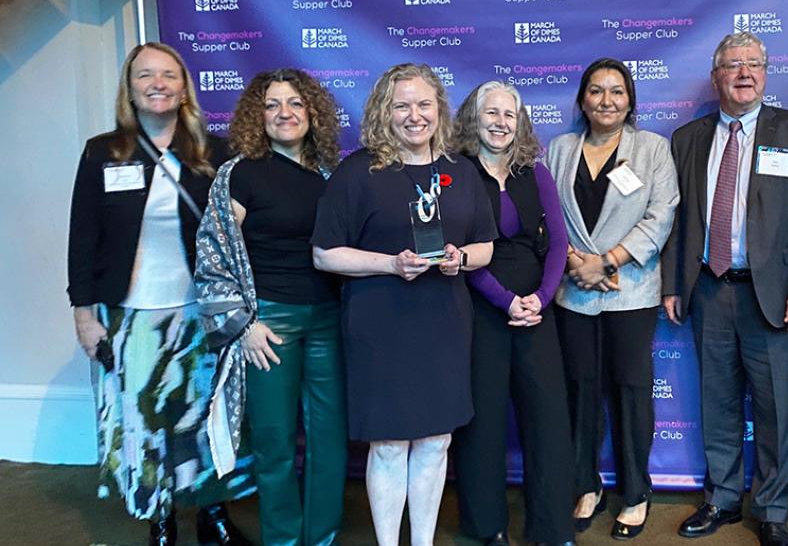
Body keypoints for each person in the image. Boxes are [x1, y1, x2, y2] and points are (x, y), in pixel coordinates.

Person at [66, 42, 251, 545]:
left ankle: (214, 515)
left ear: (184, 86)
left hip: (203, 311)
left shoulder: (213, 152)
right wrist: (85, 316)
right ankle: (160, 517)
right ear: (130, 87)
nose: (158, 84)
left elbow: (236, 233)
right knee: (150, 421)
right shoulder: (104, 152)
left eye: (169, 75)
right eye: (146, 75)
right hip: (133, 314)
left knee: (206, 417)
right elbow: (82, 238)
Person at [311, 63, 497, 546]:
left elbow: (485, 246)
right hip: (381, 323)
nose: (414, 116)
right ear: (383, 112)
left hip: (445, 323)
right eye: (402, 106)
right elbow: (325, 253)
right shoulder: (359, 171)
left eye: (423, 104)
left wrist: (461, 258)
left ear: (439, 108)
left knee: (436, 442)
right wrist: (391, 264)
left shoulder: (461, 170)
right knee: (390, 445)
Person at [660, 31, 788, 546]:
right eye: (733, 65)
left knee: (776, 407)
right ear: (716, 77)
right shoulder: (687, 138)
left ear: (766, 72)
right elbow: (677, 217)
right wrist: (673, 284)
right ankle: (722, 498)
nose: (744, 73)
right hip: (709, 288)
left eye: (753, 64)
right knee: (718, 402)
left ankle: (773, 509)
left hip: (773, 294)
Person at [195, 68, 347, 545]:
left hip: (328, 318)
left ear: (313, 113)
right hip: (270, 325)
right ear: (256, 117)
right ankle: (282, 539)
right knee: (275, 442)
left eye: (296, 103)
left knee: (329, 441)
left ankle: (321, 537)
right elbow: (212, 253)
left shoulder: (331, 173)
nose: (285, 113)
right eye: (273, 105)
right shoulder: (240, 173)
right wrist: (244, 324)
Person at [545, 57, 679, 540]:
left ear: (631, 99)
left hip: (631, 292)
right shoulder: (559, 149)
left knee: (630, 390)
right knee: (579, 389)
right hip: (573, 290)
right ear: (582, 100)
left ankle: (636, 492)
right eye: (597, 91)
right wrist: (577, 262)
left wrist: (609, 261)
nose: (607, 101)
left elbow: (660, 216)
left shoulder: (653, 149)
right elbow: (547, 217)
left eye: (617, 91)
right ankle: (586, 484)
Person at [451, 81, 575, 546]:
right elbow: (458, 252)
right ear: (473, 117)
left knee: (548, 420)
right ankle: (488, 527)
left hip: (537, 310)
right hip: (479, 307)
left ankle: (551, 528)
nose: (501, 122)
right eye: (492, 113)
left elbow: (559, 242)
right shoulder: (454, 173)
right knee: (482, 424)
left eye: (510, 115)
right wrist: (506, 301)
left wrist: (540, 299)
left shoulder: (534, 172)